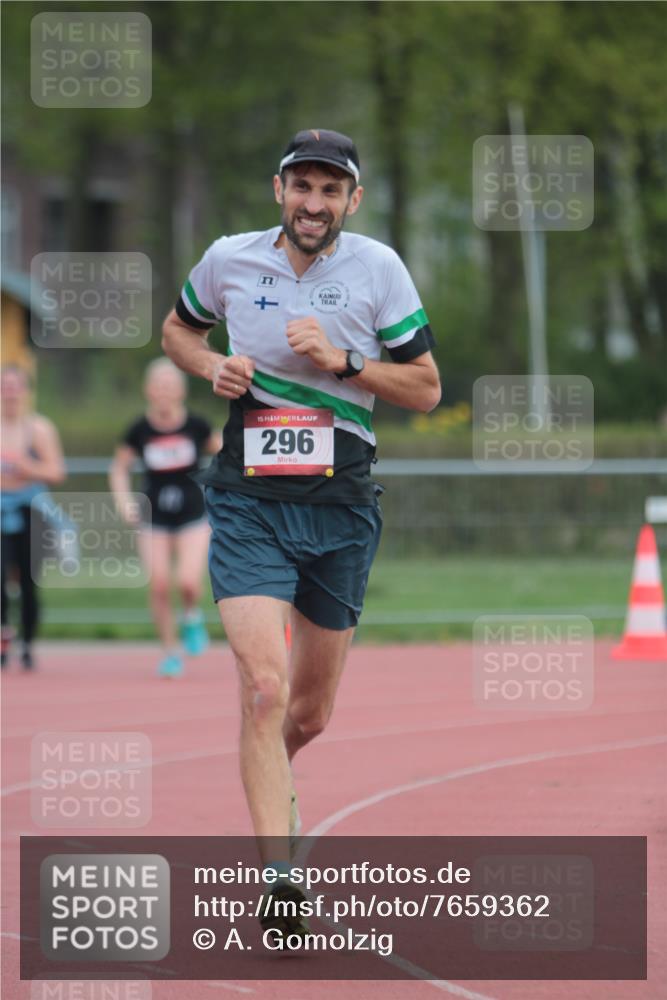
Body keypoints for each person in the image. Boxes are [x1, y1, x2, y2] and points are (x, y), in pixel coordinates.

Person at [161, 129, 440, 934]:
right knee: (262, 688)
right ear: (276, 189)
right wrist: (207, 365)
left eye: (329, 190)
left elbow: (424, 388)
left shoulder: (379, 270)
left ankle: (269, 776)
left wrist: (345, 363)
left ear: (351, 200)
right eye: (300, 186)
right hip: (247, 498)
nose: (312, 203)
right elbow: (179, 330)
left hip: (341, 508)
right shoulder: (227, 260)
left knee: (307, 713)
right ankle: (280, 875)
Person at [109, 358, 221, 678]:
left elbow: (225, 453)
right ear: (148, 390)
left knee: (187, 581)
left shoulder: (197, 425)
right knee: (158, 585)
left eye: (170, 385)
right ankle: (171, 652)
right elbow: (118, 468)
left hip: (193, 514)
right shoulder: (139, 429)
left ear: (181, 391)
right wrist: (124, 501)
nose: (164, 392)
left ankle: (191, 615)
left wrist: (224, 487)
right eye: (158, 385)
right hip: (153, 516)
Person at [1, 365, 65, 670]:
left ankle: (27, 642)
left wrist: (28, 467)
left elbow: (56, 471)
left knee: (28, 578)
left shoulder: (39, 429)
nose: (10, 392)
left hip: (31, 509)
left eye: (15, 386)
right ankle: (3, 637)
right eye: (4, 386)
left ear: (26, 391)